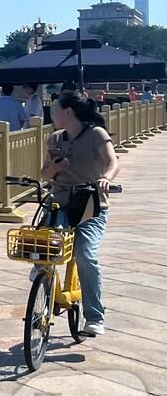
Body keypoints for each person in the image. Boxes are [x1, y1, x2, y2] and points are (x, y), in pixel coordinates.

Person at [42, 91, 120, 337]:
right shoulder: (55, 139)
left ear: (68, 113)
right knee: (42, 244)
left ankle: (95, 317)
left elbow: (113, 162)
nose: (52, 114)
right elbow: (44, 174)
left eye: (55, 110)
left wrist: (105, 179)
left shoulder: (96, 134)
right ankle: (42, 278)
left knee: (85, 255)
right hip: (61, 201)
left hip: (90, 205)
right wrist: (54, 168)